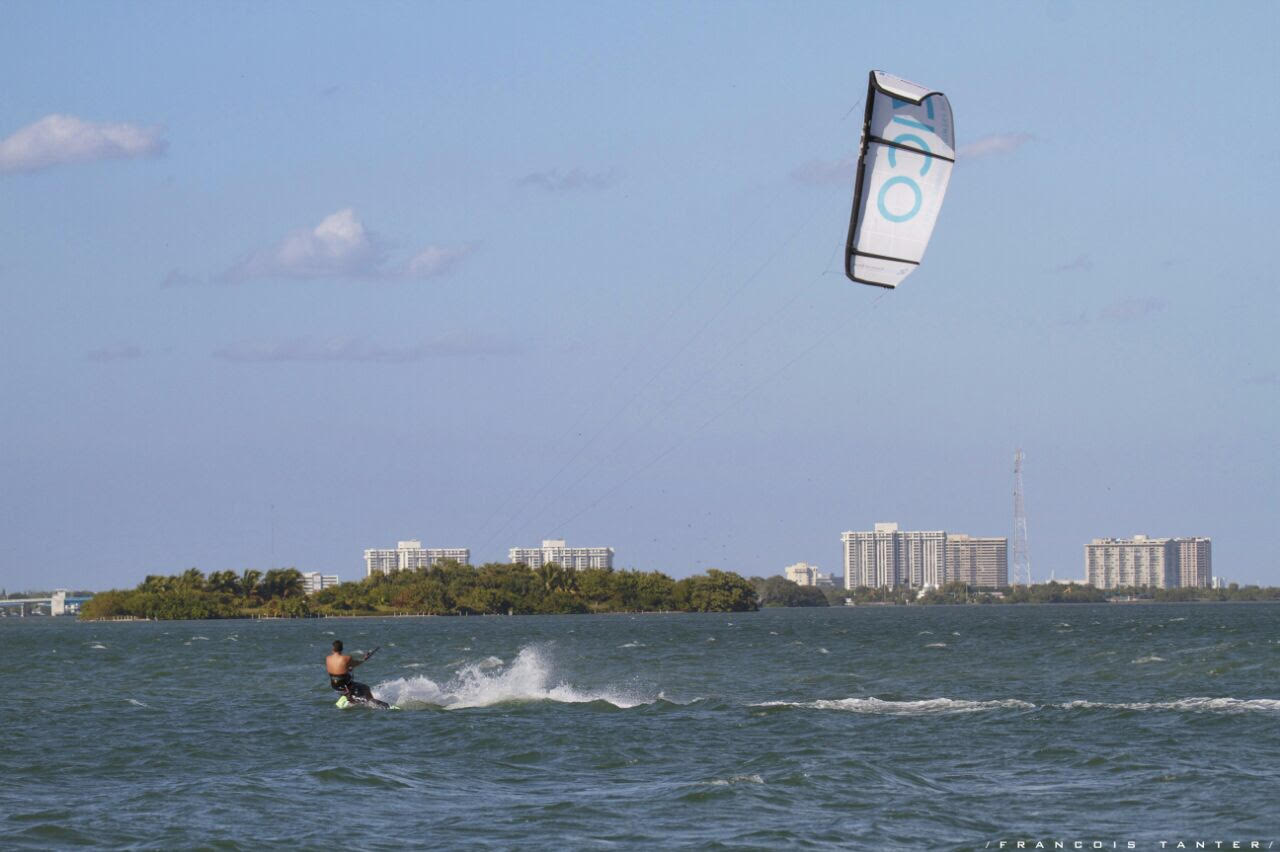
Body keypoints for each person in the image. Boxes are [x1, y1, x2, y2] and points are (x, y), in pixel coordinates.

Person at [326, 639, 387, 708]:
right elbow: (356, 663)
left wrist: (347, 669)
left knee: (352, 687)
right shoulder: (346, 658)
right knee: (366, 688)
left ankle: (351, 698)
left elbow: (336, 670)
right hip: (345, 685)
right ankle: (370, 703)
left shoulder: (328, 658)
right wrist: (364, 658)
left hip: (335, 685)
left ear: (333, 648)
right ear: (341, 649)